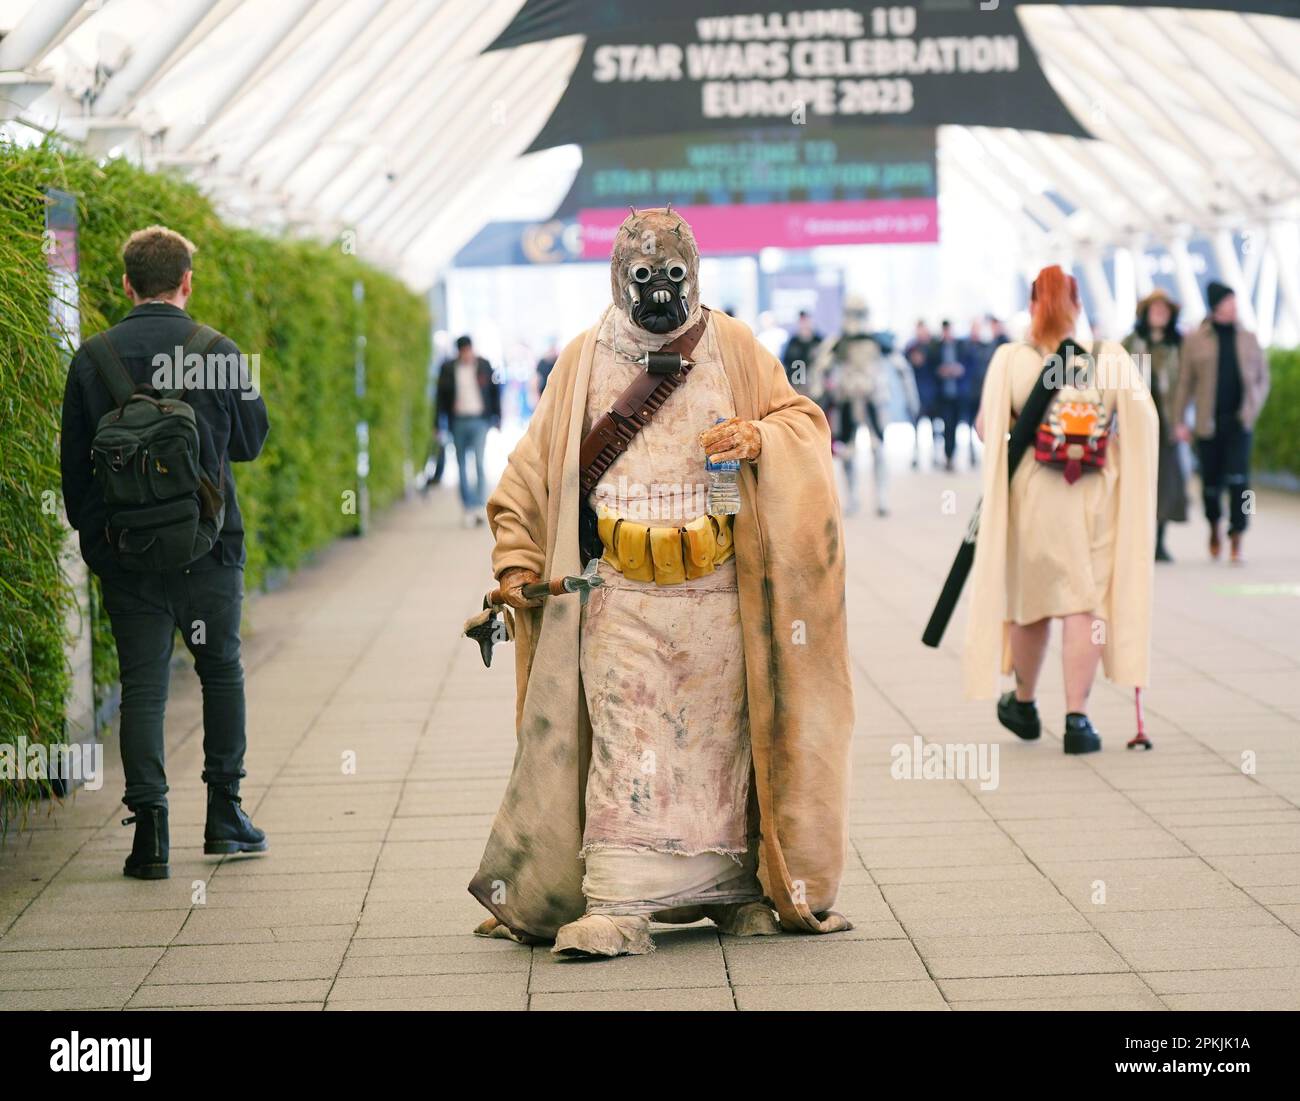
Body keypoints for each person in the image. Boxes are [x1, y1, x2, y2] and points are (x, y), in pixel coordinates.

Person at [468, 207, 854, 957]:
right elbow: (531, 469)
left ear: (696, 273)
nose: (659, 291)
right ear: (618, 276)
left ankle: (734, 890)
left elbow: (803, 424)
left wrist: (761, 437)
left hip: (719, 596)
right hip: (618, 594)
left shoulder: (736, 346)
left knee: (724, 744)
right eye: (643, 277)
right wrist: (516, 558)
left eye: (673, 276)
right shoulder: (582, 358)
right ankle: (616, 900)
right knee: (627, 736)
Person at [60, 225, 270, 878]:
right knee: (221, 671)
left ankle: (149, 835)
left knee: (143, 687)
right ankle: (225, 816)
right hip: (210, 548)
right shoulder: (217, 350)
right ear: (187, 282)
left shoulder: (93, 358)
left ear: (126, 283)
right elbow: (251, 443)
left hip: (130, 557)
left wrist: (106, 549)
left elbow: (74, 476)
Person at [964, 265, 1158, 754]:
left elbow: (988, 430)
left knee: (1033, 603)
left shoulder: (1011, 360)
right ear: (1077, 305)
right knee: (1084, 603)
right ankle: (1078, 720)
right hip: (1093, 495)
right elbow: (1145, 423)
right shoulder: (1108, 358)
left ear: (1033, 306)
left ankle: (1025, 703)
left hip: (1034, 495)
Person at [1172, 281, 1270, 564]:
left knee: (1241, 483)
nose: (1233, 306)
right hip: (1207, 424)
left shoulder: (1248, 337)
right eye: (1228, 301)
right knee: (1210, 484)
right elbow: (1185, 383)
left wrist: (1252, 408)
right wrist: (1180, 420)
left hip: (1240, 424)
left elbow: (1263, 378)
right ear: (1216, 305)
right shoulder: (1195, 339)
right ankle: (1214, 525)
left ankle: (1238, 533)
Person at [1122, 288, 1188, 562]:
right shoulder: (1131, 343)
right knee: (1138, 483)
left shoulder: (1179, 345)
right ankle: (1138, 542)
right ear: (1146, 314)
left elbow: (1189, 385)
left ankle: (1159, 542)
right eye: (1155, 310)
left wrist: (1184, 420)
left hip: (1168, 425)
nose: (1159, 314)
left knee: (1167, 484)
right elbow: (1115, 380)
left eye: (1164, 310)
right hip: (1137, 424)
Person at [810, 295, 891, 516]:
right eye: (852, 314)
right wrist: (819, 394)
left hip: (871, 400)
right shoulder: (838, 343)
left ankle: (882, 497)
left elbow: (900, 368)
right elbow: (819, 367)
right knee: (847, 451)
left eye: (859, 314)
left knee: (878, 448)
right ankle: (853, 498)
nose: (855, 319)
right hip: (846, 401)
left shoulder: (878, 341)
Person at [435, 335, 501, 527]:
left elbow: (495, 391)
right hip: (458, 421)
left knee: (479, 462)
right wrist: (437, 424)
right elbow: (440, 397)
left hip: (480, 419)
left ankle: (480, 504)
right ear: (458, 352)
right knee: (461, 464)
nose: (466, 354)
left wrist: (497, 416)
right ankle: (468, 506)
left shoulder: (483, 365)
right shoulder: (448, 369)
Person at [904, 320, 940, 468]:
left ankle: (935, 455)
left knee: (934, 427)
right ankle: (916, 455)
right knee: (916, 427)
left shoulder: (932, 346)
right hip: (916, 393)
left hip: (931, 392)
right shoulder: (911, 347)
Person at [934, 320, 967, 471]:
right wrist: (940, 371)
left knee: (955, 426)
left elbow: (969, 364)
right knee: (946, 426)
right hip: (943, 395)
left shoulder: (960, 346)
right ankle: (947, 456)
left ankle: (952, 454)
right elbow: (931, 367)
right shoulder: (936, 347)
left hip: (958, 394)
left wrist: (959, 369)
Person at [780, 309, 822, 389]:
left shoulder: (818, 341)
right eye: (802, 321)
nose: (804, 324)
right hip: (795, 386)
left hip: (814, 386)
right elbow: (785, 364)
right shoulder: (793, 342)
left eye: (806, 321)